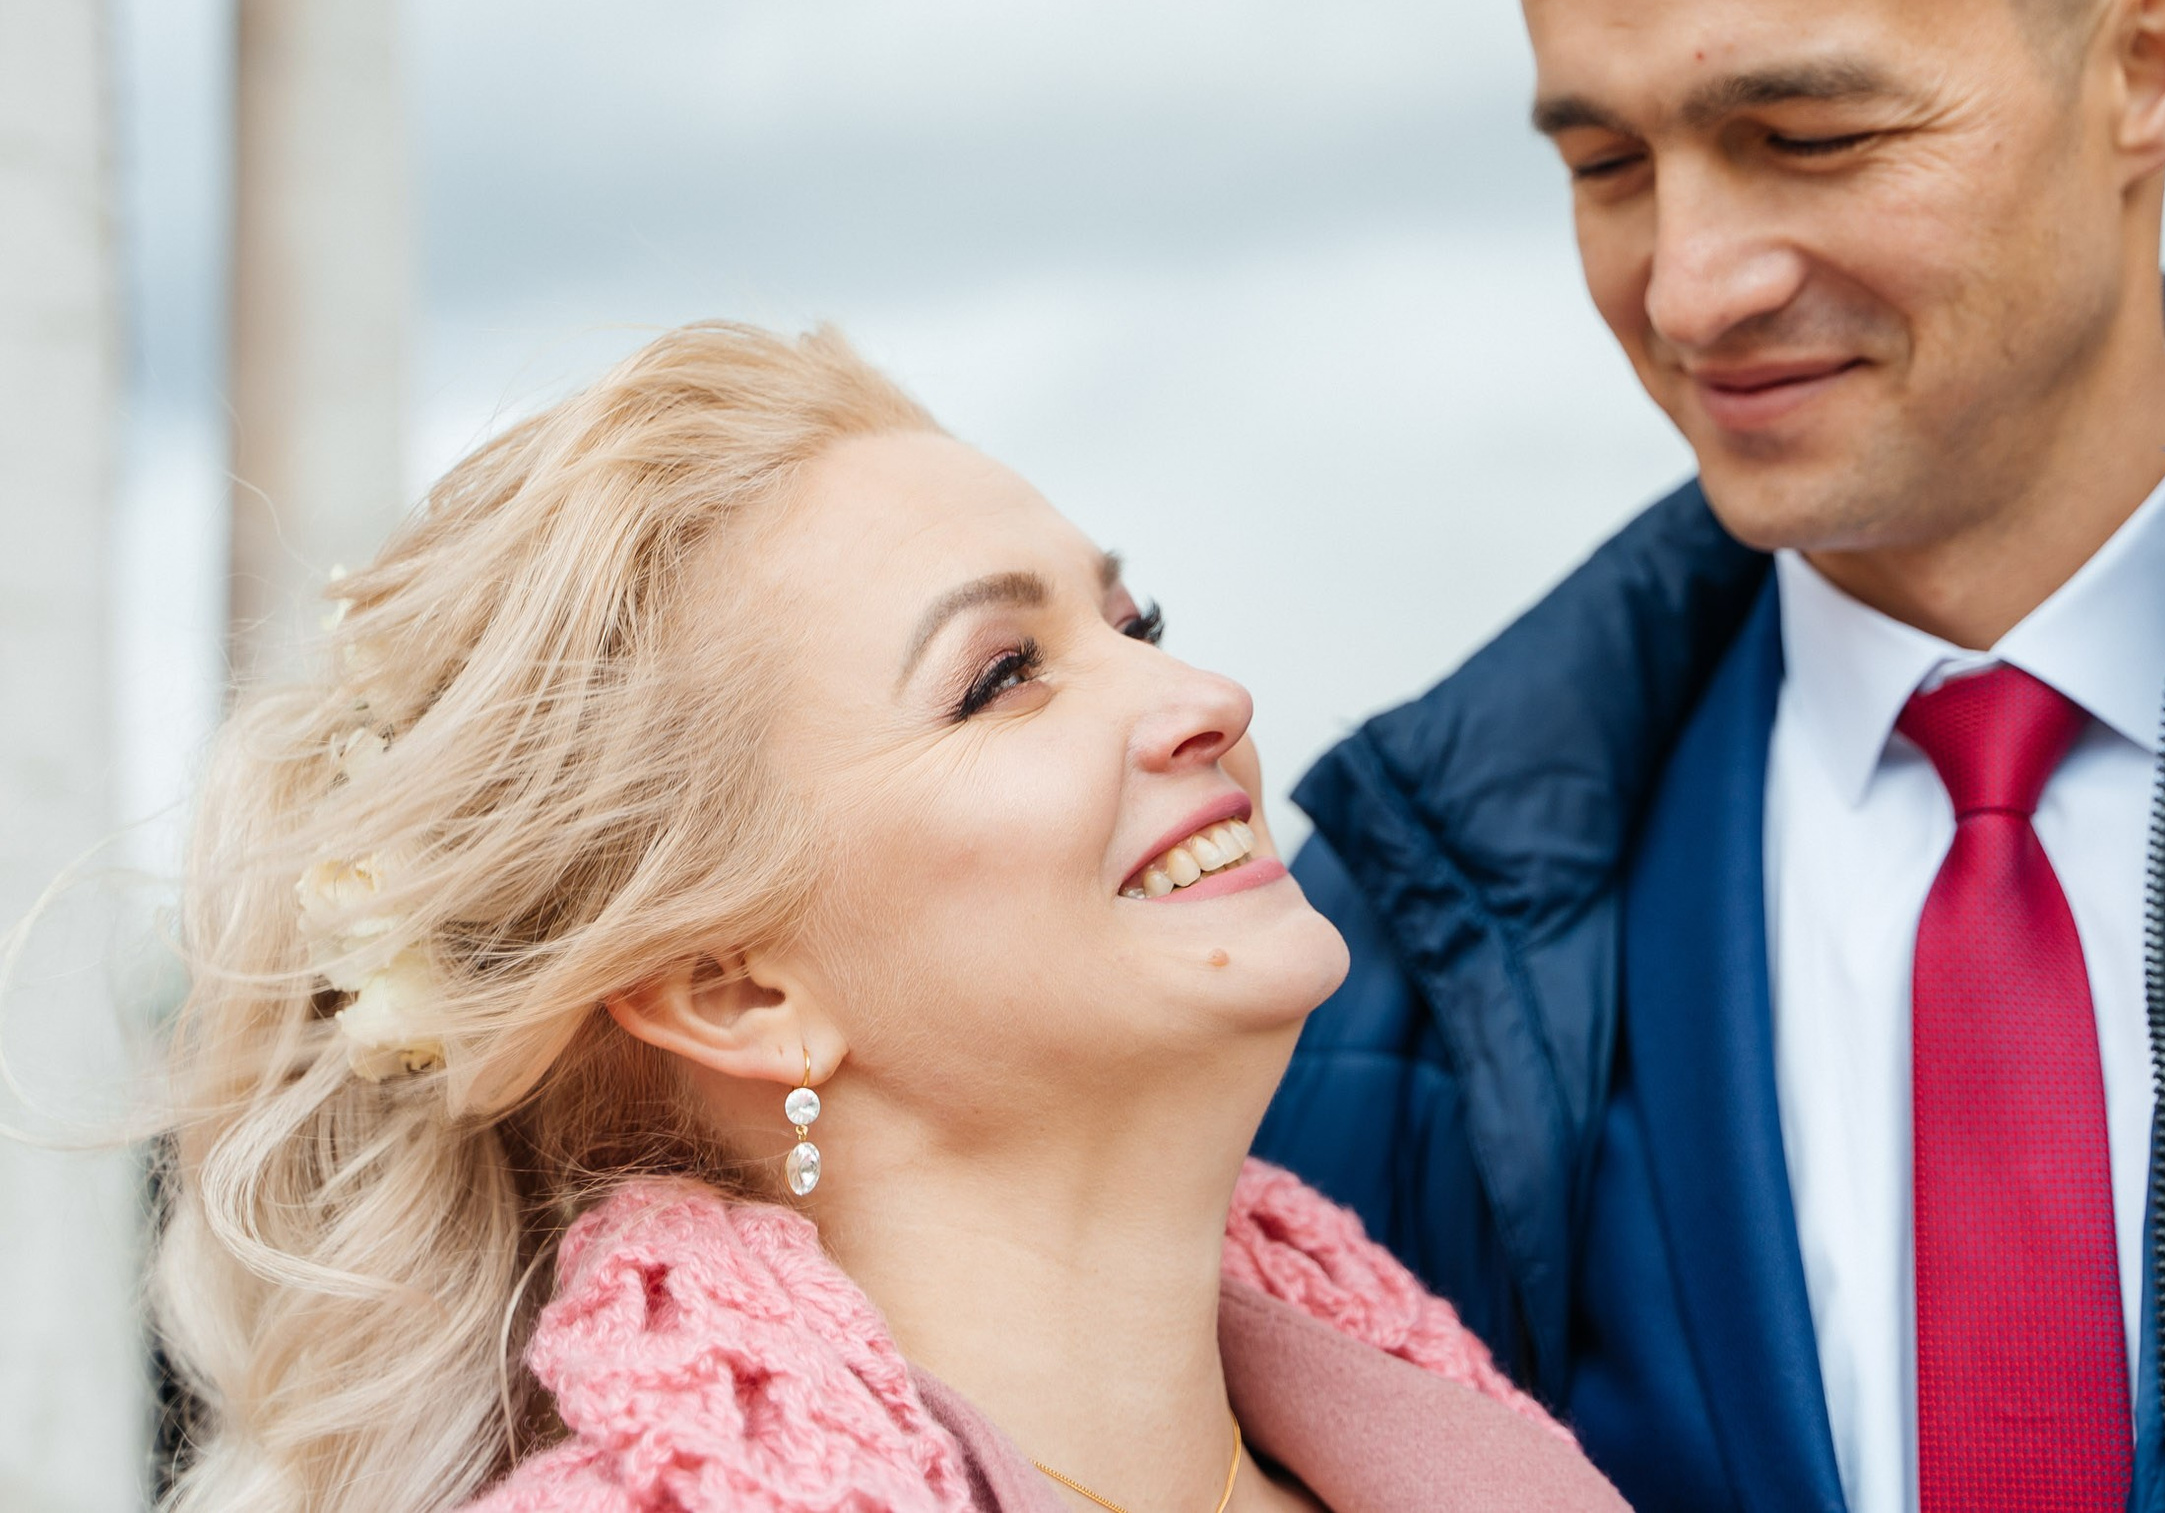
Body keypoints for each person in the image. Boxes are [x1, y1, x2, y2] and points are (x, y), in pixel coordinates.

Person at [1252, 0, 2165, 1510]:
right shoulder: (1367, 968)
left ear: (2146, 67)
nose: (1696, 288)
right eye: (1608, 168)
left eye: (1806, 132)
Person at [152, 326, 1630, 1513]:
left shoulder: (1462, 1443)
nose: (1205, 702)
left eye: (1136, 626)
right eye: (1001, 677)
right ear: (731, 988)